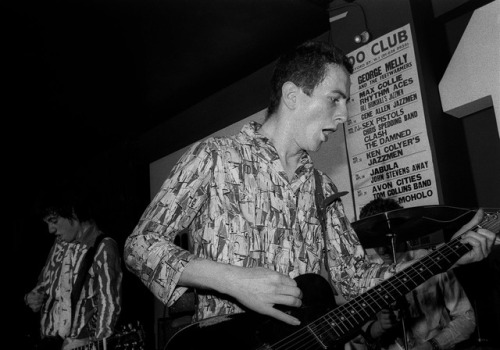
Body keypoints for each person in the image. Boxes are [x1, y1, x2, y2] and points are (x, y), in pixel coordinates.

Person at [123, 41, 496, 347]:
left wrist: (446, 257)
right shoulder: (215, 157)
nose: (345, 114)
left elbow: (356, 276)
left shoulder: (323, 188)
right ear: (292, 95)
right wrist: (231, 279)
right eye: (335, 98)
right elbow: (140, 245)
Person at [358, 198, 476, 350]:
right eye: (375, 241)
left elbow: (467, 319)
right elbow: (359, 338)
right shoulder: (366, 274)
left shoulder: (432, 261)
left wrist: (433, 345)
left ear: (401, 231)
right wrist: (378, 326)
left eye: (386, 240)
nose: (382, 250)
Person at [25, 184, 123, 350]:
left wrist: (95, 343)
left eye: (54, 221)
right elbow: (43, 284)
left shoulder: (103, 247)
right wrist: (31, 298)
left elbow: (109, 308)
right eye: (48, 223)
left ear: (73, 213)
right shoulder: (58, 245)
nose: (50, 229)